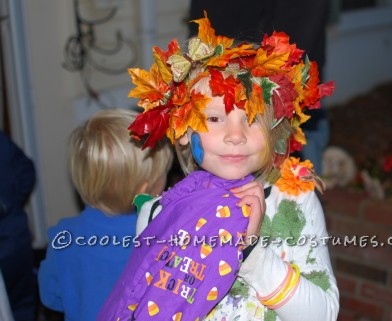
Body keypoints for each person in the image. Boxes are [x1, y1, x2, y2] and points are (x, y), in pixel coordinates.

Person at [98, 13, 338, 321]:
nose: (236, 136)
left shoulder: (294, 202)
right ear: (184, 130)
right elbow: (142, 301)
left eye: (251, 119)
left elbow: (324, 315)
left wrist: (251, 253)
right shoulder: (158, 214)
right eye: (214, 119)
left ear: (273, 130)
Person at [38, 109, 174, 321]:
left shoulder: (62, 236)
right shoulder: (161, 236)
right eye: (163, 174)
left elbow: (50, 296)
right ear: (143, 190)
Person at [188, 0, 332, 173]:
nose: (236, 136)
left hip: (282, 83)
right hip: (217, 73)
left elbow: (303, 19)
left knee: (293, 178)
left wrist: (282, 79)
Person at [0, 129, 36, 321]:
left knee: (20, 302)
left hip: (12, 238)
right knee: (22, 304)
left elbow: (26, 170)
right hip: (15, 233)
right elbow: (26, 170)